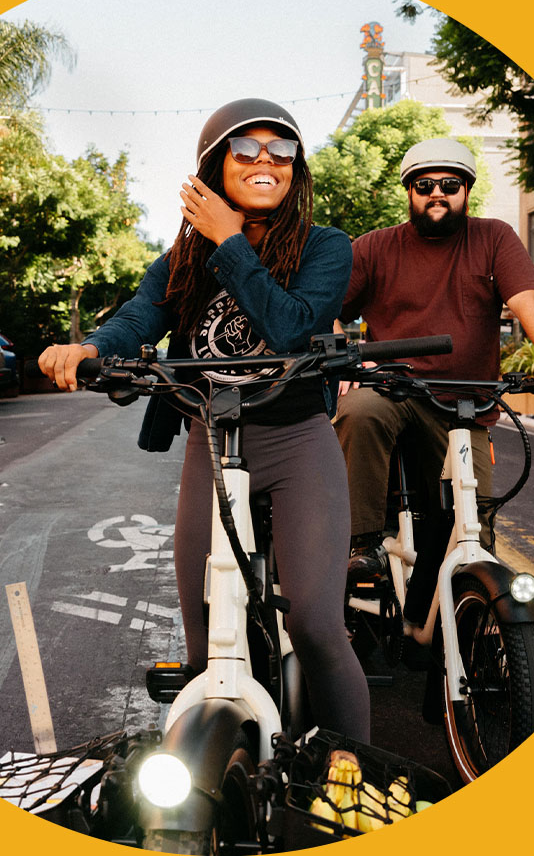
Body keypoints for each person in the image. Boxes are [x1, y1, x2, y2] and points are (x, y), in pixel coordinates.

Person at [38, 98, 369, 742]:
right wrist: (91, 349)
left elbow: (295, 329)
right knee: (202, 634)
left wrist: (227, 238)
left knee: (318, 626)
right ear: (216, 168)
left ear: (297, 172)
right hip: (211, 443)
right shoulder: (183, 262)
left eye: (282, 151)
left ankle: (349, 766)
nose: (265, 161)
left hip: (299, 442)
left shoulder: (326, 247)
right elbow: (138, 317)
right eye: (246, 151)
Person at [333, 138, 534, 624]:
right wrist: (346, 361)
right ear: (408, 191)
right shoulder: (374, 246)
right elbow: (329, 313)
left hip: (465, 402)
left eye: (449, 184)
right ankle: (362, 545)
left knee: (474, 528)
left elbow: (526, 301)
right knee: (359, 411)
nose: (436, 194)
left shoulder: (493, 237)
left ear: (466, 190)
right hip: (393, 389)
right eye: (424, 185)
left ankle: (472, 612)